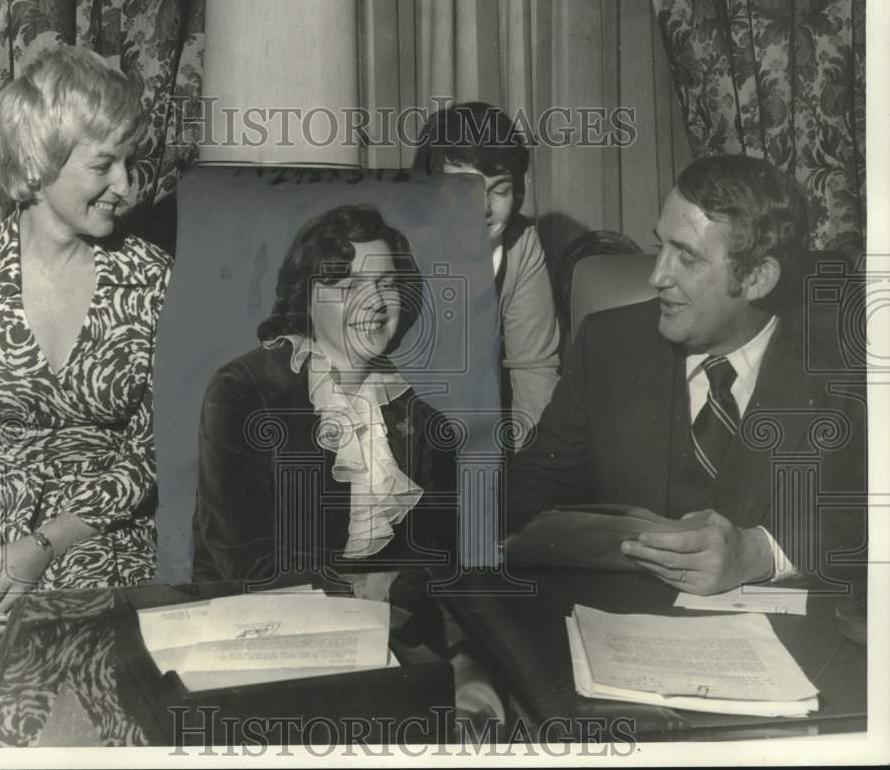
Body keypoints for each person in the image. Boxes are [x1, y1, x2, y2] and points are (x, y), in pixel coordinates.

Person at [0, 44, 171, 744]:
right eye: (104, 163)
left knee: (125, 732)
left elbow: (153, 452)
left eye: (131, 162)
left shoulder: (152, 279)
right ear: (43, 157)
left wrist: (49, 542)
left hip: (104, 544)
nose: (126, 183)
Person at [506, 155, 865, 595]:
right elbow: (534, 484)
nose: (657, 276)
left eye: (687, 258)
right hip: (626, 629)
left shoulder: (846, 366)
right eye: (661, 247)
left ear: (757, 278)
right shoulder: (607, 344)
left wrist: (760, 552)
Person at [192, 204, 458, 588]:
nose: (375, 303)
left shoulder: (425, 422)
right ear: (307, 297)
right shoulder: (243, 391)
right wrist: (361, 597)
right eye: (349, 286)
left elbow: (436, 565)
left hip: (387, 631)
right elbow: (243, 562)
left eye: (385, 282)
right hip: (261, 622)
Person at [413, 102, 560, 448]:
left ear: (518, 193)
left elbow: (533, 369)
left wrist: (532, 469)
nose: (482, 208)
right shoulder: (399, 243)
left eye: (499, 190)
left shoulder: (521, 244)